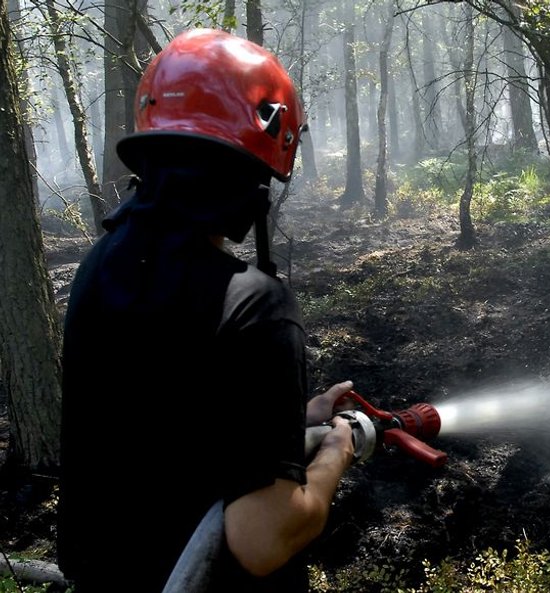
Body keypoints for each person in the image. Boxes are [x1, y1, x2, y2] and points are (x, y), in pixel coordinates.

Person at [57, 28, 354, 592]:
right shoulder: (255, 307)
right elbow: (263, 540)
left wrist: (288, 420)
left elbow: (162, 423)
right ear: (258, 166)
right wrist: (335, 452)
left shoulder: (100, 270)